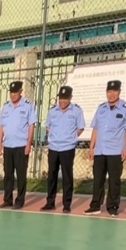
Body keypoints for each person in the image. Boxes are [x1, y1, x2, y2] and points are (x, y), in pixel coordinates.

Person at [86, 80, 126, 217]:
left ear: (119, 92)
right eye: (109, 91)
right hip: (100, 150)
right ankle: (95, 205)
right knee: (98, 179)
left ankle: (112, 206)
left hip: (115, 150)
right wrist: (91, 147)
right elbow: (96, 128)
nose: (111, 94)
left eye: (114, 91)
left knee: (114, 180)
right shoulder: (101, 108)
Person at [41, 85, 85, 213]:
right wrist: (54, 136)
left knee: (67, 176)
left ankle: (66, 204)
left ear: (70, 98)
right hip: (53, 147)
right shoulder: (52, 111)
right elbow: (48, 126)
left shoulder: (76, 111)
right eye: (60, 98)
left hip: (67, 148)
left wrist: (70, 137)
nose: (62, 101)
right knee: (52, 176)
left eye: (65, 98)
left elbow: (80, 128)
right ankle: (50, 202)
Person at [0, 80, 37, 209]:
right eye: (11, 93)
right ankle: (7, 199)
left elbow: (31, 126)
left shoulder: (27, 106)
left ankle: (19, 200)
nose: (13, 95)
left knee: (20, 175)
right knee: (8, 174)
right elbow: (1, 126)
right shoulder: (6, 106)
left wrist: (28, 144)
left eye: (15, 92)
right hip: (8, 145)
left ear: (21, 92)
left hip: (21, 145)